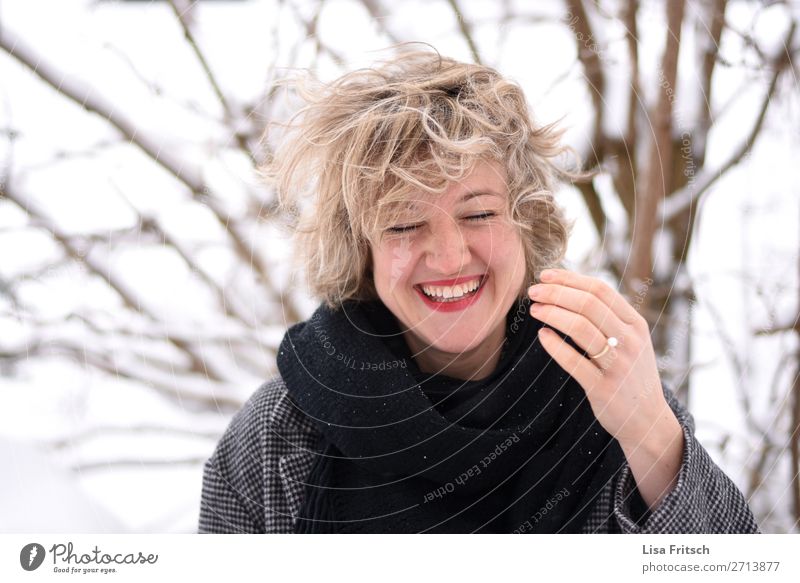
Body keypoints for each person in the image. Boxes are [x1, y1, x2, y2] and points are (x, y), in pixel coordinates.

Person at [198, 49, 759, 534]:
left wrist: (653, 437)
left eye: (479, 213)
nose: (447, 256)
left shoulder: (610, 392)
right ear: (360, 251)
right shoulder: (276, 440)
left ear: (526, 223)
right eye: (401, 224)